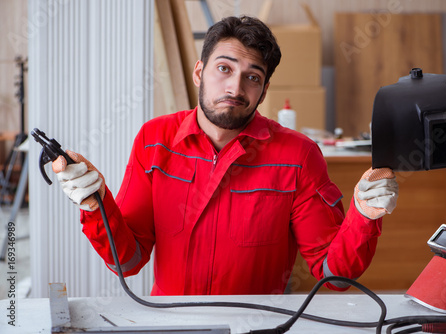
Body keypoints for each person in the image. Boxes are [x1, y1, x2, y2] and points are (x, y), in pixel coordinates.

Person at [52, 16, 399, 295]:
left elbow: (332, 276)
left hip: (259, 324)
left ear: (263, 92)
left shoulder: (298, 155)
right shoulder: (154, 140)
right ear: (200, 72)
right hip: (172, 323)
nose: (235, 88)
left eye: (252, 77)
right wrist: (95, 206)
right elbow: (127, 262)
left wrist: (363, 218)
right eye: (224, 69)